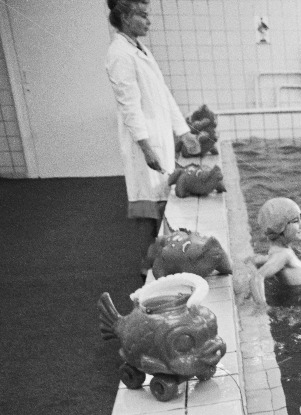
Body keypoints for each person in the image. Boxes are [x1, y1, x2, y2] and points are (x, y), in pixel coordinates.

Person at [105, 0, 198, 278]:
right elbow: (129, 106)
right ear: (125, 17)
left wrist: (183, 131)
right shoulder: (119, 54)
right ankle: (150, 264)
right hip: (145, 142)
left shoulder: (140, 49)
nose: (149, 21)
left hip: (159, 137)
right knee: (152, 207)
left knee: (162, 202)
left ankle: (161, 257)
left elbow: (163, 94)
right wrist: (145, 147)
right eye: (143, 15)